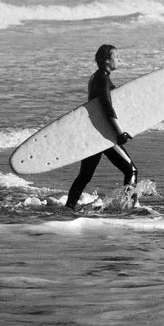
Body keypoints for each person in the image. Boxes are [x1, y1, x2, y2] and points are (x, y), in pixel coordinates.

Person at [65, 43, 138, 210]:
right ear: (107, 60)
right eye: (116, 56)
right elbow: (106, 106)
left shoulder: (97, 77)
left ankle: (69, 208)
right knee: (131, 171)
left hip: (94, 132)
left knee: (85, 176)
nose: (119, 60)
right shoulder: (102, 78)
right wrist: (119, 133)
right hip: (103, 135)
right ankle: (131, 207)